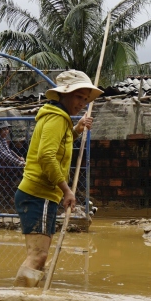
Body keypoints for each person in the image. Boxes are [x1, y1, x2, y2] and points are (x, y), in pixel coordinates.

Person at [13, 70, 100, 287]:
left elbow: (58, 147)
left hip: (41, 195)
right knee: (38, 256)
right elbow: (46, 156)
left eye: (85, 99)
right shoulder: (57, 117)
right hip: (38, 194)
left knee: (38, 256)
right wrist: (66, 189)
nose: (81, 103)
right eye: (78, 96)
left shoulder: (59, 118)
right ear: (64, 95)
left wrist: (77, 130)